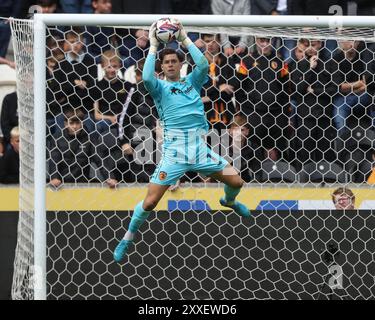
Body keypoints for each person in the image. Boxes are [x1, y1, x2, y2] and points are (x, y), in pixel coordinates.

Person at [113, 20, 250, 263]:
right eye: (166, 63)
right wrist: (154, 45)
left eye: (174, 61)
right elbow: (145, 77)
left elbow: (203, 64)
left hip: (198, 147)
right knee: (151, 202)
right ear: (162, 67)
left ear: (179, 64)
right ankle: (127, 237)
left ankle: (228, 201)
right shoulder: (159, 88)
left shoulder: (192, 83)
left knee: (237, 181)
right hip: (174, 151)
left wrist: (185, 37)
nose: (170, 65)